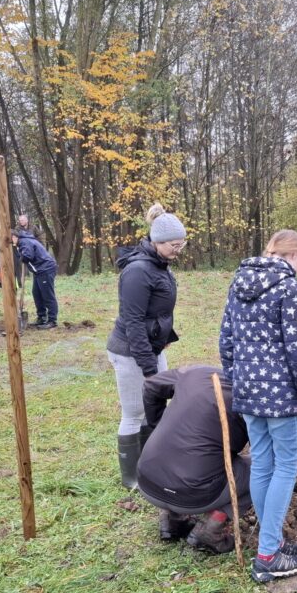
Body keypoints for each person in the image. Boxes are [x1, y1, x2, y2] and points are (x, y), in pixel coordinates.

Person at [137, 365, 297, 552]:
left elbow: (150, 386)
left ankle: (171, 520)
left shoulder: (197, 373)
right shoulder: (258, 404)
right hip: (195, 494)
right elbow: (282, 464)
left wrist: (158, 426)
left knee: (192, 458)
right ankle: (210, 529)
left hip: (147, 481)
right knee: (262, 470)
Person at [220, 229, 297, 583]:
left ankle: (269, 541)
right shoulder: (288, 286)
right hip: (280, 395)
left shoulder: (239, 280)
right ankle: (267, 554)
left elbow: (226, 338)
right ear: (295, 255)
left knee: (262, 461)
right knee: (286, 464)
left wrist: (236, 378)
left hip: (247, 390)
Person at [106, 205, 187, 492]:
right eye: (175, 245)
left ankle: (150, 467)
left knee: (153, 406)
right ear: (157, 242)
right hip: (131, 351)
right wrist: (149, 367)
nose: (179, 250)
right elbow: (133, 322)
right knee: (133, 413)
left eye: (182, 244)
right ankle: (132, 478)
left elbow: (158, 313)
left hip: (152, 347)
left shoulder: (159, 265)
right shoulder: (138, 272)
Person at [12, 229, 58, 328]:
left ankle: (52, 320)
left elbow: (28, 256)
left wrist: (21, 257)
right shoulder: (23, 241)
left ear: (14, 237)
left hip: (45, 269)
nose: (11, 242)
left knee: (47, 295)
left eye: (11, 239)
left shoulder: (24, 242)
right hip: (39, 271)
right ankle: (42, 317)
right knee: (36, 293)